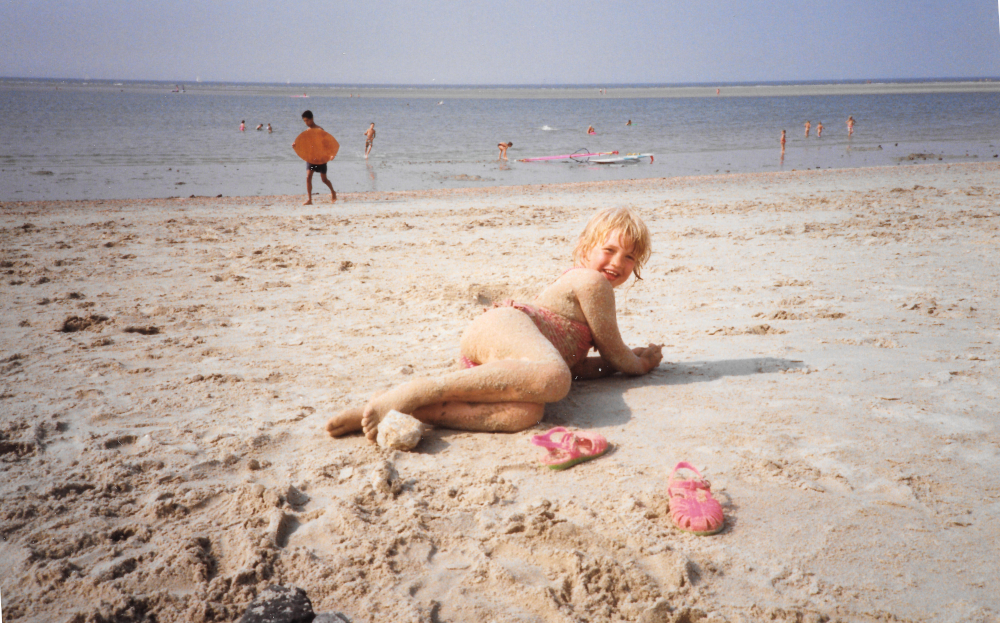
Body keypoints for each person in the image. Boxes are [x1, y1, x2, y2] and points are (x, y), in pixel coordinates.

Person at [326, 207, 664, 441]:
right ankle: (417, 389)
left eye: (630, 256)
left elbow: (580, 367)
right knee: (555, 378)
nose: (618, 262)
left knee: (526, 413)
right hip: (506, 324)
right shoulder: (593, 283)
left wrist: (607, 366)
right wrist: (642, 362)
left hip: (504, 355)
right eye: (609, 249)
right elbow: (616, 353)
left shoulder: (588, 295)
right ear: (585, 249)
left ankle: (408, 409)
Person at [293, 110, 336, 205]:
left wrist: (331, 154)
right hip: (311, 158)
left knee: (324, 179)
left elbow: (327, 143)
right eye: (304, 121)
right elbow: (304, 144)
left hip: (321, 158)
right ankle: (309, 199)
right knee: (308, 177)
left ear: (312, 119)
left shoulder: (320, 129)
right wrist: (296, 145)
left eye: (307, 120)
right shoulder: (307, 132)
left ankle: (333, 191)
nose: (306, 123)